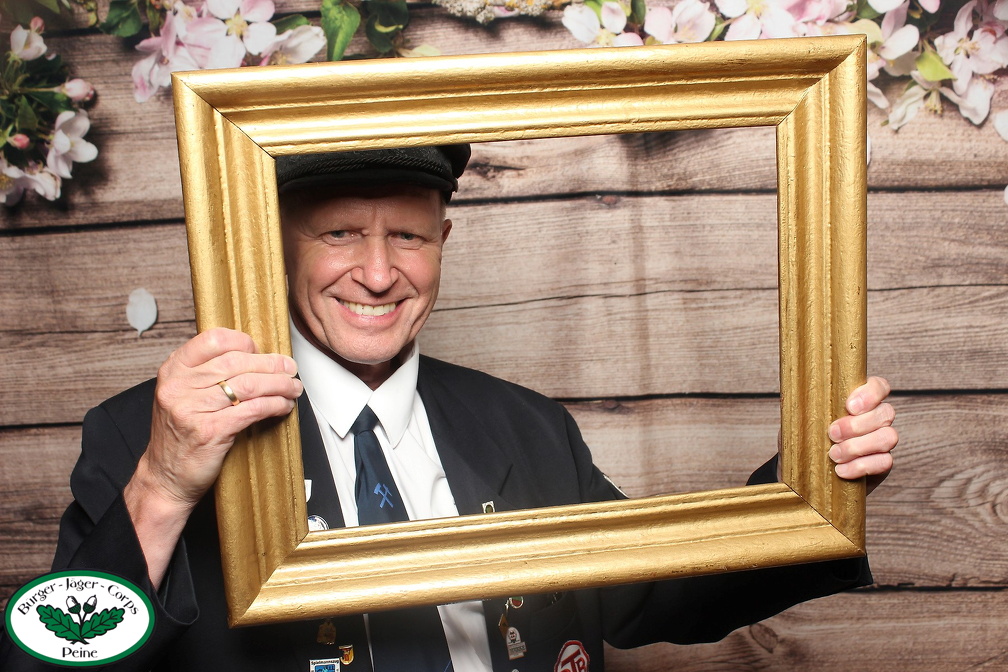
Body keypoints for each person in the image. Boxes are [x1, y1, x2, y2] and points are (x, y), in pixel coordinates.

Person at [0, 146, 897, 671]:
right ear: (279, 245)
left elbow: (654, 595)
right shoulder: (140, 432)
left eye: (408, 236)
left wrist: (816, 482)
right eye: (341, 233)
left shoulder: (527, 427)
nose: (378, 273)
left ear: (444, 240)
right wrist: (161, 487)